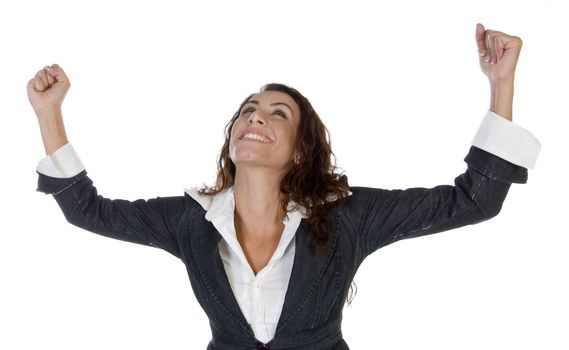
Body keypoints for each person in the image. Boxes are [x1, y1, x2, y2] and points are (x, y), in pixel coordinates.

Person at [28, 23, 540, 350]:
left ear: (298, 150)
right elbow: (88, 211)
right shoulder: (188, 219)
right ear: (232, 135)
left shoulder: (347, 215)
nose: (256, 117)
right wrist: (50, 115)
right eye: (248, 110)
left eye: (278, 113)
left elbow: (474, 200)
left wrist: (501, 86)